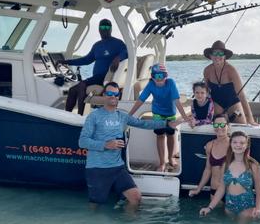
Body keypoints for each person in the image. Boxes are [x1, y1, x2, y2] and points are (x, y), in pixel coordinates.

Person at [79, 81, 181, 212]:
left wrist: (167, 123)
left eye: (116, 94)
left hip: (117, 167)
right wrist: (105, 145)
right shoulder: (94, 116)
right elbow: (82, 141)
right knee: (96, 206)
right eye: (109, 93)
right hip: (97, 168)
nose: (113, 97)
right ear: (104, 95)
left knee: (135, 197)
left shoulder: (122, 116)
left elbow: (143, 124)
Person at [128, 63, 191, 172]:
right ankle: (162, 163)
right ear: (152, 77)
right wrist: (129, 114)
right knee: (160, 135)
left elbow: (176, 100)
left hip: (171, 113)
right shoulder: (151, 84)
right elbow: (141, 100)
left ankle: (170, 158)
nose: (159, 79)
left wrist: (185, 117)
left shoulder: (171, 83)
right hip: (157, 113)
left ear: (166, 76)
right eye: (156, 76)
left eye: (162, 76)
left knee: (171, 135)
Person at [63, 19, 127, 115]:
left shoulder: (117, 43)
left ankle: (80, 116)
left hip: (105, 79)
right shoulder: (97, 45)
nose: (104, 29)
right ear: (99, 29)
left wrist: (118, 58)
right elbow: (86, 60)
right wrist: (67, 62)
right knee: (72, 90)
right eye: (102, 27)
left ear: (111, 29)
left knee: (81, 85)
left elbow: (127, 52)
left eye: (107, 27)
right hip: (96, 78)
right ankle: (66, 116)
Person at [200, 131, 260, 224]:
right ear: (230, 144)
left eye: (242, 143)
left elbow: (259, 190)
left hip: (246, 208)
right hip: (229, 207)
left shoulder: (254, 166)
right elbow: (221, 188)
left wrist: (258, 209)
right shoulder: (226, 164)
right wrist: (209, 208)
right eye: (235, 142)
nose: (238, 145)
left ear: (247, 145)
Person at [203, 40, 257, 125]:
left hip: (233, 103)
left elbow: (242, 95)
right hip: (217, 103)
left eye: (220, 54)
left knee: (241, 124)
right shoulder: (207, 70)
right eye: (215, 53)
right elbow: (205, 92)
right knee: (218, 125)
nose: (217, 56)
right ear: (210, 55)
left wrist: (250, 118)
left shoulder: (231, 70)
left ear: (224, 56)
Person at [188, 114, 229, 202]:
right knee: (215, 215)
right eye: (216, 125)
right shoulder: (210, 145)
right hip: (214, 191)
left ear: (228, 126)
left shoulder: (234, 145)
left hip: (231, 191)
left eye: (222, 125)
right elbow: (208, 170)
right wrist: (198, 189)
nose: (219, 128)